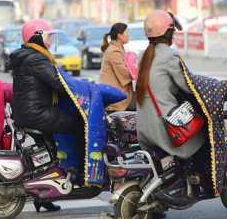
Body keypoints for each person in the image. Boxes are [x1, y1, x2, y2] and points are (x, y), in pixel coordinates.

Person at [9, 19, 84, 213]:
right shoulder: (36, 59)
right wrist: (80, 89)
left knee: (48, 150)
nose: (50, 41)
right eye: (48, 37)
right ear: (37, 37)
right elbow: (58, 83)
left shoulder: (27, 56)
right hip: (36, 113)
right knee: (77, 124)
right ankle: (78, 171)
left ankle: (43, 195)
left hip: (27, 112)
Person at [135, 10, 205, 160]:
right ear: (168, 33)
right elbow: (188, 86)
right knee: (202, 138)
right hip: (163, 129)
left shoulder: (142, 56)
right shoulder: (169, 55)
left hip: (143, 128)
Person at [99, 23, 134, 111]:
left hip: (118, 92)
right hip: (116, 98)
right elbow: (124, 73)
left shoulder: (118, 48)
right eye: (126, 33)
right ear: (119, 36)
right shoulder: (114, 51)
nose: (128, 35)